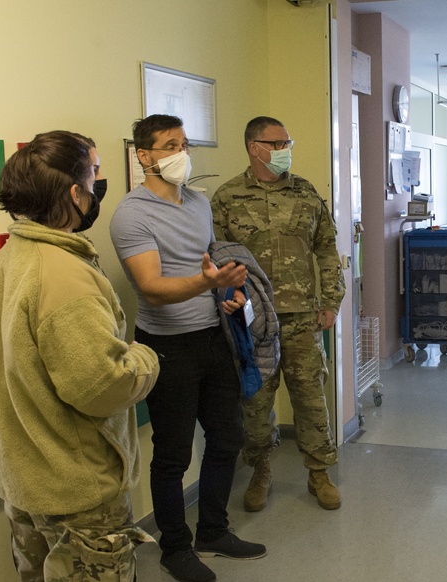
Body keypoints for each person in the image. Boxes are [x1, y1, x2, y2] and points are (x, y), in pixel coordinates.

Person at [0, 131, 159, 581]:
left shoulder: (5, 261)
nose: (99, 185)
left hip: (24, 480)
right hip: (76, 493)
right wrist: (144, 358)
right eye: (94, 174)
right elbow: (102, 386)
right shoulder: (64, 276)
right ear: (75, 193)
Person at [109, 114, 266, 582]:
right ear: (144, 156)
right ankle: (174, 547)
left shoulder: (198, 204)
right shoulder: (131, 214)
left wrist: (229, 292)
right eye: (169, 145)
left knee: (226, 438)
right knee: (173, 455)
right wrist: (206, 282)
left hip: (213, 337)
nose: (181, 153)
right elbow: (152, 288)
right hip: (166, 347)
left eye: (185, 143)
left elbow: (209, 265)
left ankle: (212, 531)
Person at [211, 116, 345, 512]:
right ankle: (260, 470)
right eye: (278, 142)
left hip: (303, 316)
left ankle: (319, 472)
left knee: (310, 398)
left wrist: (331, 301)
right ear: (255, 147)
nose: (286, 149)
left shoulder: (305, 193)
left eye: (288, 141)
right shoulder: (226, 197)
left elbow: (326, 248)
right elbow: (215, 258)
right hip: (253, 319)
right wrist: (228, 301)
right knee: (255, 402)